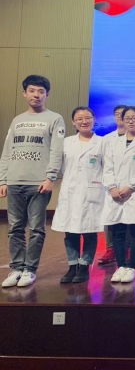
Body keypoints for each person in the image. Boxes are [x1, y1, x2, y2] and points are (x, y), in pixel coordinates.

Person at [0, 75, 65, 288]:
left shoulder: (55, 118)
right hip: (14, 181)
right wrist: (3, 179)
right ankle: (17, 268)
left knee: (36, 228)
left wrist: (51, 177)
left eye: (41, 91)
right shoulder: (17, 120)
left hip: (39, 183)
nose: (36, 95)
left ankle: (30, 270)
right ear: (24, 93)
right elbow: (7, 151)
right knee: (15, 228)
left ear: (47, 94)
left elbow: (56, 150)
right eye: (32, 90)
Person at [51, 106, 103, 284]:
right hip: (71, 192)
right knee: (70, 231)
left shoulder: (102, 142)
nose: (84, 121)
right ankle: (72, 266)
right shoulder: (66, 142)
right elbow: (60, 166)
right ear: (73, 122)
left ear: (94, 120)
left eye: (88, 118)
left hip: (92, 193)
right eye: (79, 119)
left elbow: (107, 168)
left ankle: (85, 266)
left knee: (89, 231)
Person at [103, 106, 135, 284]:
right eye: (128, 118)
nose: (131, 121)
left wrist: (130, 187)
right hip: (115, 193)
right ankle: (121, 266)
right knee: (118, 231)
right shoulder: (113, 142)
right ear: (122, 120)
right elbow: (107, 167)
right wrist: (112, 188)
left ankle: (131, 267)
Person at [98, 105, 128, 265]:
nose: (120, 117)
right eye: (117, 114)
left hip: (130, 187)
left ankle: (127, 249)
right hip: (110, 186)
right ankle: (110, 249)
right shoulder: (107, 139)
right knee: (110, 218)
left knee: (129, 220)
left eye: (123, 114)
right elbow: (103, 164)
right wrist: (111, 185)